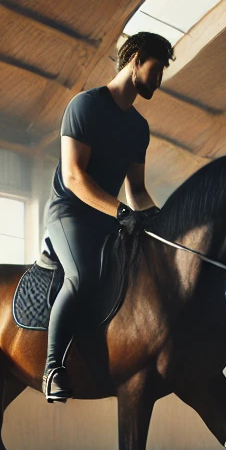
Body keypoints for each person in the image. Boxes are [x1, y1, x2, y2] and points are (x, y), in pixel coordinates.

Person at [42, 31, 174, 402]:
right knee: (82, 277)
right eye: (157, 68)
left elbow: (137, 192)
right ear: (134, 59)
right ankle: (53, 367)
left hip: (110, 219)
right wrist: (121, 212)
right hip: (69, 212)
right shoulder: (84, 106)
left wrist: (165, 222)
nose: (160, 78)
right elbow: (73, 176)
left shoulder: (139, 128)